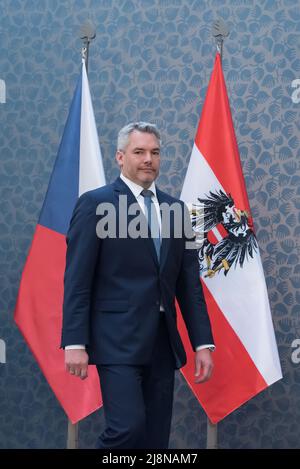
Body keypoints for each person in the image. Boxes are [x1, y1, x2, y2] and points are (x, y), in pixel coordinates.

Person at [61, 122, 215, 449]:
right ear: (120, 157)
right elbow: (77, 279)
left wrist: (203, 343)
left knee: (155, 440)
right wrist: (74, 340)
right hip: (116, 340)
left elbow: (189, 284)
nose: (148, 159)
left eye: (155, 152)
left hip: (162, 342)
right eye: (139, 152)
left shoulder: (176, 210)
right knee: (127, 430)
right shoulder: (96, 204)